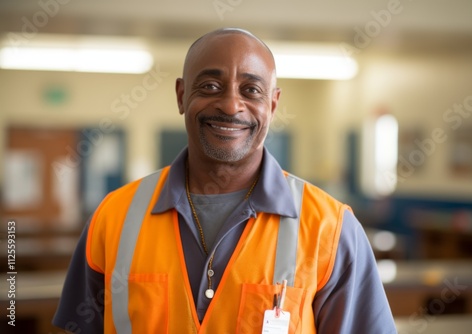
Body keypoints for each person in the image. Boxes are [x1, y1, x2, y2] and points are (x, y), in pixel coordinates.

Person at [53, 27, 397, 333]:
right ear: (181, 96)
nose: (231, 105)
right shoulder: (115, 215)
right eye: (211, 86)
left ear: (273, 105)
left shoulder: (332, 229)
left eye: (251, 90)